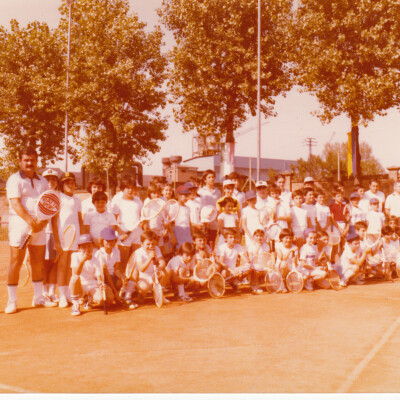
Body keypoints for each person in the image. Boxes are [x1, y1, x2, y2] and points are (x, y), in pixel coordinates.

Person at [5, 147, 57, 313]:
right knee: (16, 261)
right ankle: (12, 301)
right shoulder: (14, 180)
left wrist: (42, 222)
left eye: (32, 160)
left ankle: (38, 298)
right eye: (26, 160)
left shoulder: (42, 181)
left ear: (36, 161)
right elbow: (16, 204)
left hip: (40, 226)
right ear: (20, 161)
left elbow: (48, 204)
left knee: (37, 262)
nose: (29, 163)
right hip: (19, 225)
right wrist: (30, 222)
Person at [52, 172, 85, 308]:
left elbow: (80, 220)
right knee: (62, 267)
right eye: (67, 183)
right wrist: (57, 241)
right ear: (62, 184)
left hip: (75, 238)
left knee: (72, 268)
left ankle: (70, 294)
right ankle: (62, 296)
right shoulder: (58, 198)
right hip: (62, 237)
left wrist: (82, 238)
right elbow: (54, 222)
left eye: (72, 182)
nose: (70, 185)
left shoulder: (77, 200)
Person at [69, 234, 115, 316]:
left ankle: (89, 298)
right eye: (84, 247)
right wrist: (83, 261)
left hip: (92, 286)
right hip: (79, 286)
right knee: (74, 278)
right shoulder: (75, 256)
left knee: (105, 300)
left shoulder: (96, 259)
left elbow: (99, 276)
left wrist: (101, 284)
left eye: (89, 246)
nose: (87, 249)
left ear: (93, 246)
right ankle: (75, 304)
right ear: (79, 248)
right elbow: (76, 273)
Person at [42, 168, 60, 303]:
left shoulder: (60, 195)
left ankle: (52, 292)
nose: (50, 182)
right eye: (47, 179)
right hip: (43, 233)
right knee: (44, 264)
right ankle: (43, 293)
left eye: (53, 179)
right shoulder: (39, 195)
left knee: (55, 263)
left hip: (57, 234)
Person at [216, 227, 249, 293]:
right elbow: (220, 262)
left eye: (234, 237)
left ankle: (234, 283)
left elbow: (245, 258)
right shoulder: (222, 247)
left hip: (235, 270)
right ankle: (221, 284)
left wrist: (247, 263)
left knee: (248, 268)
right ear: (226, 239)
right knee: (224, 273)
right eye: (230, 237)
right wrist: (231, 270)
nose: (233, 239)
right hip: (226, 270)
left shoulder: (238, 246)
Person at [197, 170, 221, 248]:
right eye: (209, 177)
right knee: (204, 239)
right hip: (204, 219)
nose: (211, 179)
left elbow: (219, 205)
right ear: (205, 179)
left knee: (212, 240)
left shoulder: (218, 192)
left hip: (214, 218)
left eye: (213, 177)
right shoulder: (200, 191)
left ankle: (211, 256)